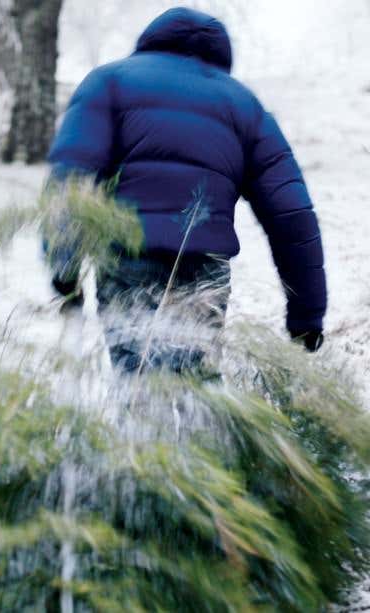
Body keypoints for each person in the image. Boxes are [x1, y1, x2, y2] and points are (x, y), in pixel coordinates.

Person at [46, 7, 326, 371]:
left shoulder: (108, 82)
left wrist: (64, 268)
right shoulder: (243, 104)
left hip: (129, 261)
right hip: (204, 270)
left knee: (140, 386)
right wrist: (307, 315)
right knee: (197, 387)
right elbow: (292, 215)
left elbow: (71, 181)